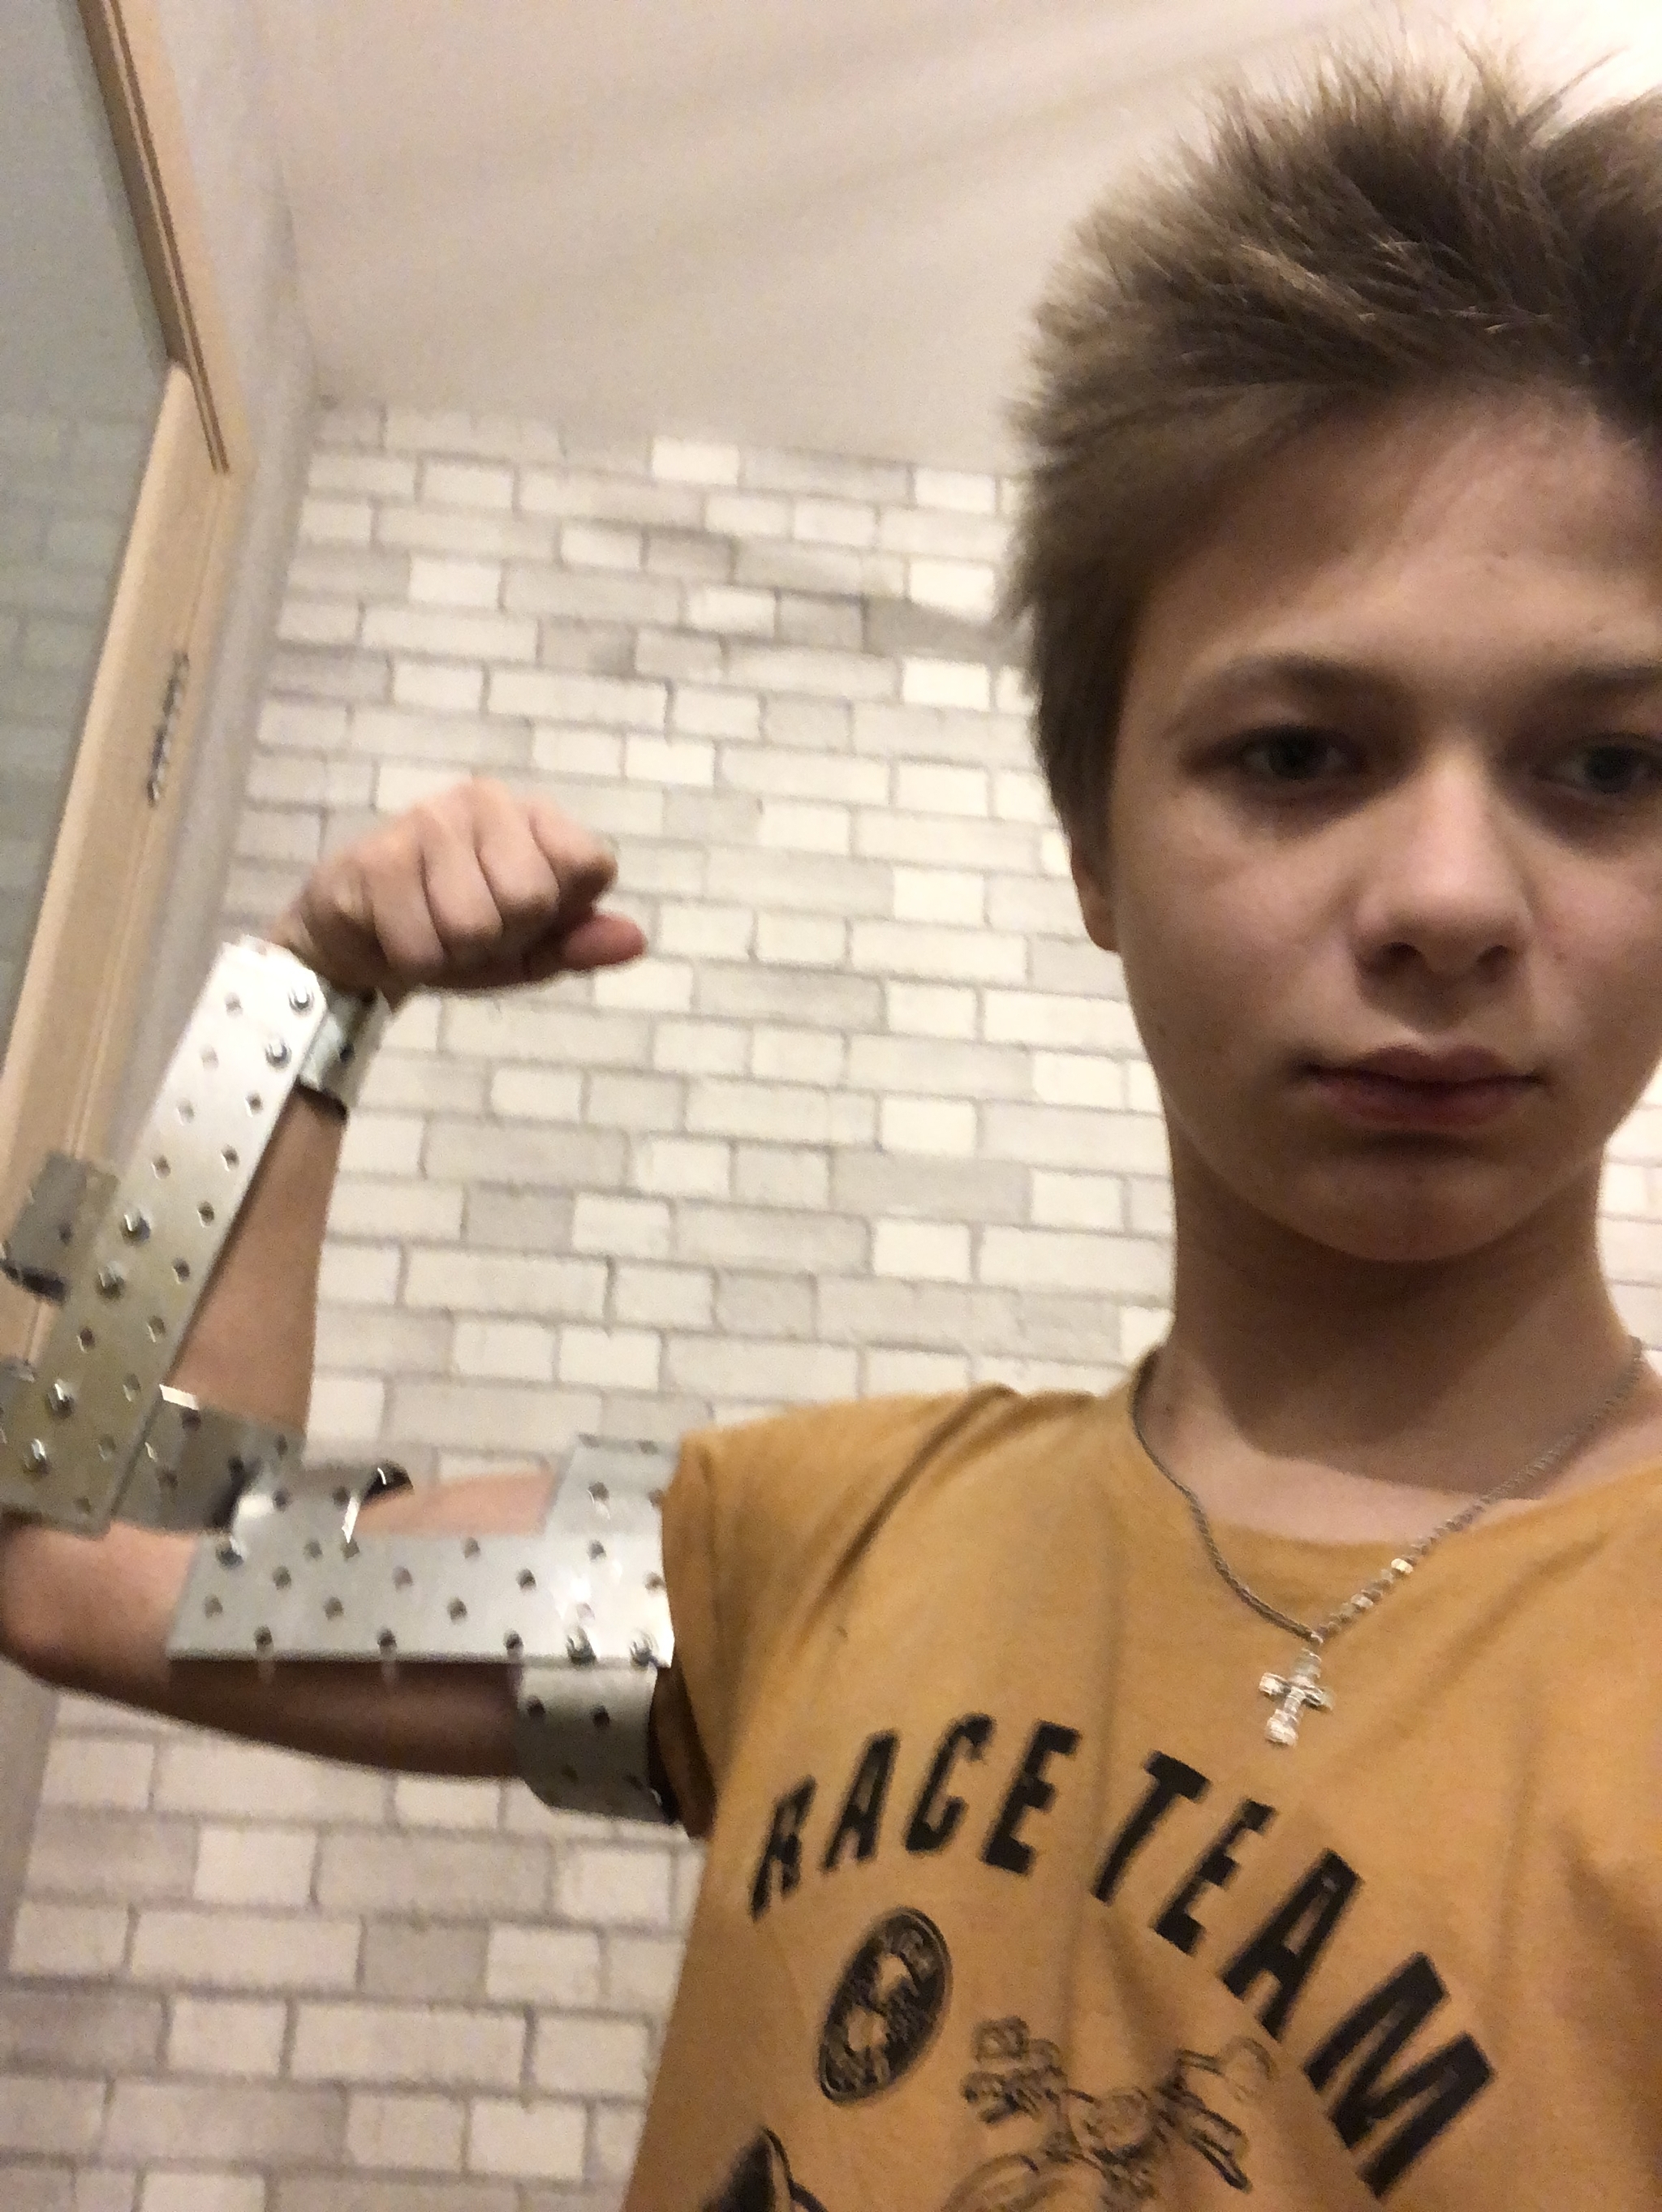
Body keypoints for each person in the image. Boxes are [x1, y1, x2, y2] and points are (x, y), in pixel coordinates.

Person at [4, 38, 1662, 2211]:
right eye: (1294, 754)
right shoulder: (813, 1552)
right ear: (1093, 845)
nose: (1448, 897)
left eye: (1609, 767)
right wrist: (299, 1006)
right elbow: (98, 1562)